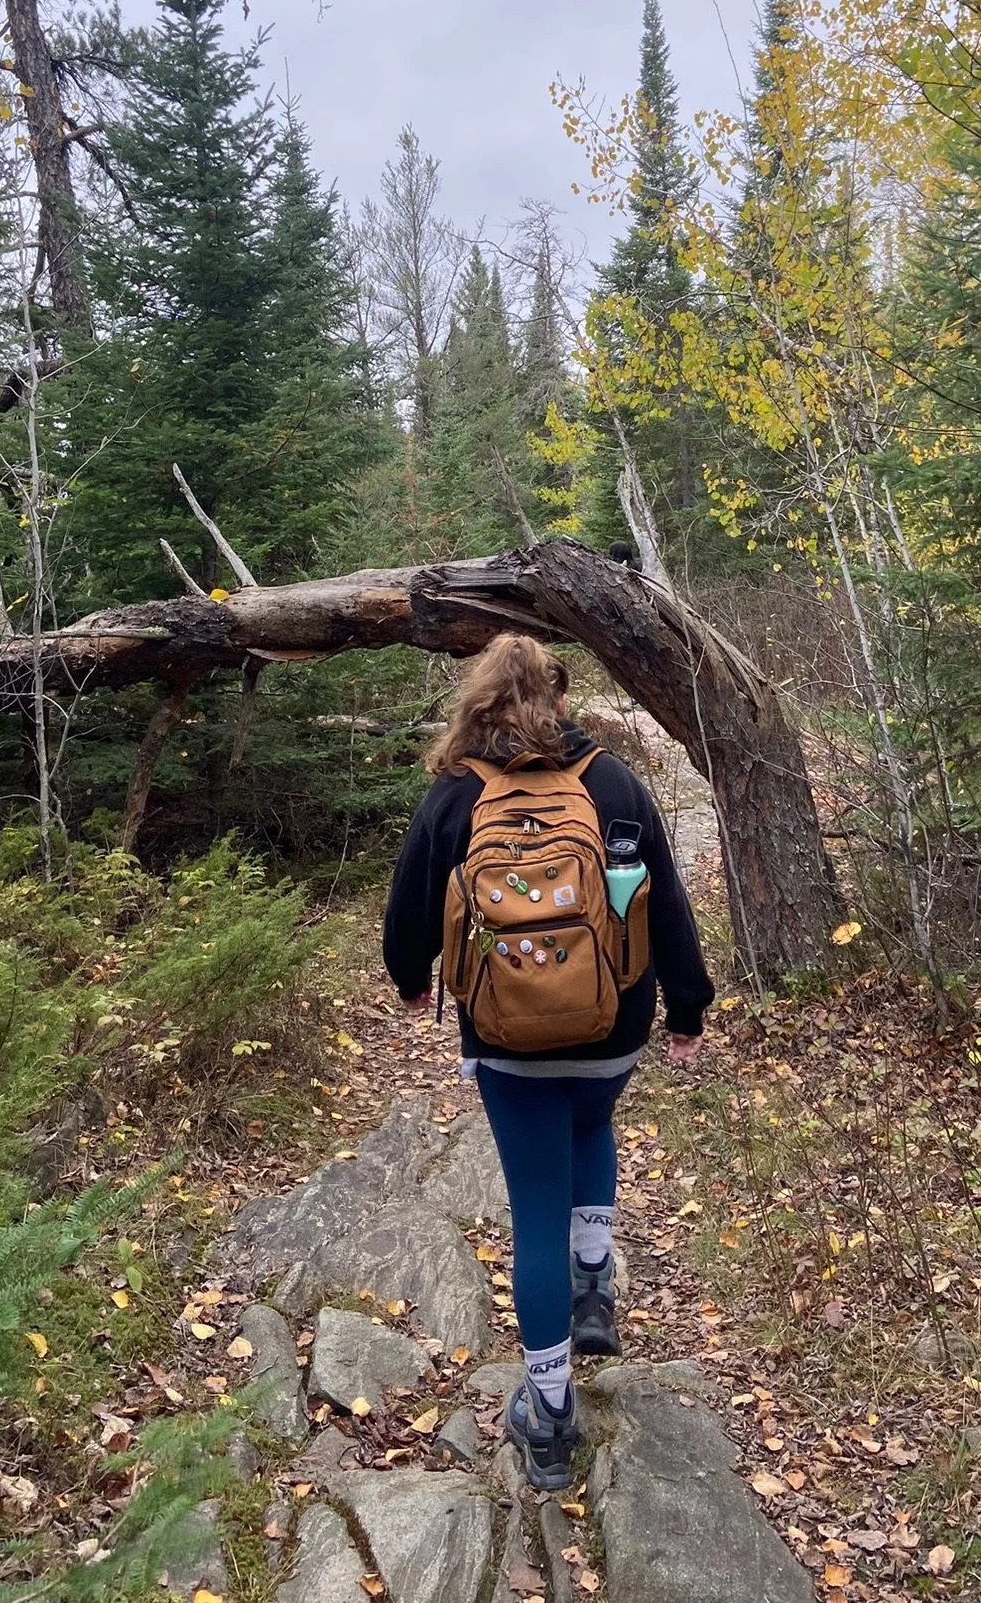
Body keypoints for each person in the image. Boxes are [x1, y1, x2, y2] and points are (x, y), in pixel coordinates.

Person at [382, 634, 714, 1489]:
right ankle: (595, 1287)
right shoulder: (611, 783)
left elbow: (410, 905)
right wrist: (689, 1007)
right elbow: (662, 900)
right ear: (558, 699)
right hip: (611, 1027)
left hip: (504, 1037)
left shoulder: (456, 792)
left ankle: (550, 1414)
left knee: (534, 1207)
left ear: (479, 702)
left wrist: (412, 982)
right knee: (593, 1124)